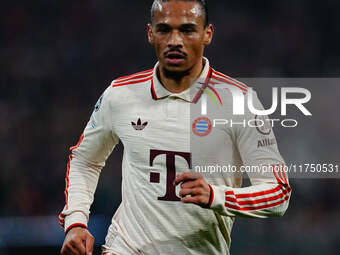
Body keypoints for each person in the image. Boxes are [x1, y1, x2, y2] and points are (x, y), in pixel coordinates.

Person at [59, 0, 292, 254]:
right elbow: (85, 159)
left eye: (187, 30)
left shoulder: (241, 102)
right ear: (150, 33)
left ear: (207, 34)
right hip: (125, 248)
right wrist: (75, 222)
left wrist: (217, 196)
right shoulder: (120, 94)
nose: (175, 41)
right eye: (164, 30)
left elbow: (278, 194)